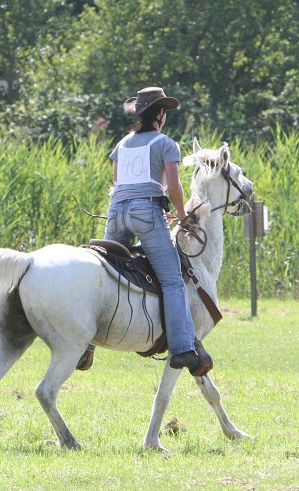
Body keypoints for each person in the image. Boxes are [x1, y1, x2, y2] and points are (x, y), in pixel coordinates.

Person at [77, 87, 212, 376]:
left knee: (104, 270)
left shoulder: (122, 145)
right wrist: (182, 214)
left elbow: (118, 182)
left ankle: (84, 345)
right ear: (160, 114)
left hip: (116, 212)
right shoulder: (166, 143)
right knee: (173, 279)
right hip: (147, 213)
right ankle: (183, 347)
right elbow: (174, 187)